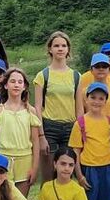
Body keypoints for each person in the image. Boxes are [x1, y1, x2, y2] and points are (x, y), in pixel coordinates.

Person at [33, 32, 83, 183]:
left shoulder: (76, 76)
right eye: (56, 45)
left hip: (70, 128)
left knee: (67, 174)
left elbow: (79, 107)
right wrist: (41, 137)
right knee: (49, 176)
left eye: (63, 45)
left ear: (68, 49)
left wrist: (81, 132)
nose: (60, 49)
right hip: (49, 128)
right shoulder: (43, 75)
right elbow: (37, 107)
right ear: (50, 49)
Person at [0, 67, 42, 196]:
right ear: (6, 85)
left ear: (24, 86)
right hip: (4, 159)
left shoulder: (31, 111)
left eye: (20, 82)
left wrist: (35, 168)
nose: (16, 85)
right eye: (13, 81)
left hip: (25, 160)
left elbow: (36, 141)